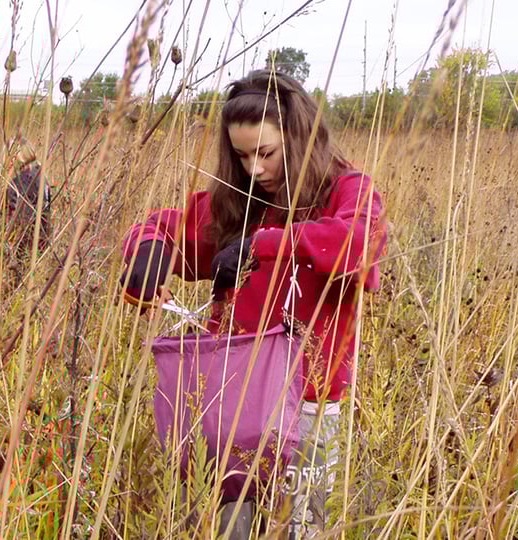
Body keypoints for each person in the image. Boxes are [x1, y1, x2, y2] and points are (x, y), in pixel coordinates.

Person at [120, 70, 386, 539]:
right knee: (231, 528)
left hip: (309, 404)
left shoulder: (348, 191)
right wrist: (147, 255)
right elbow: (157, 227)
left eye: (265, 153)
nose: (253, 170)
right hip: (233, 402)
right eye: (241, 156)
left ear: (299, 138)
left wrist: (263, 245)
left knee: (302, 527)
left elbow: (358, 245)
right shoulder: (236, 202)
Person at [4, 136, 52, 262]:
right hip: (42, 240)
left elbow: (11, 218)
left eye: (9, 154)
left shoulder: (17, 183)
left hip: (22, 244)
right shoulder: (42, 176)